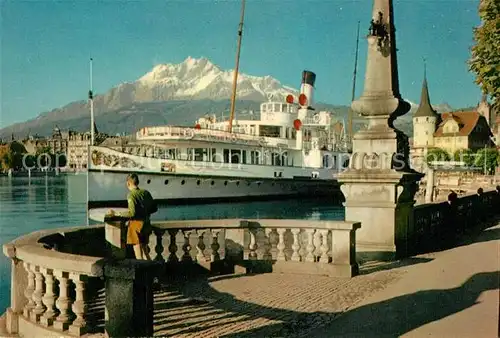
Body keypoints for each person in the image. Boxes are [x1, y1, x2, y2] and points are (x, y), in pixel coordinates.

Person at [108, 173, 158, 260]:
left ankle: (143, 273)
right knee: (146, 253)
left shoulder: (131, 195)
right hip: (146, 224)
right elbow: (154, 208)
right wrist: (144, 212)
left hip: (136, 226)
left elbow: (132, 213)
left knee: (139, 256)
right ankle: (152, 272)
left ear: (128, 183)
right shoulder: (146, 193)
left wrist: (116, 214)